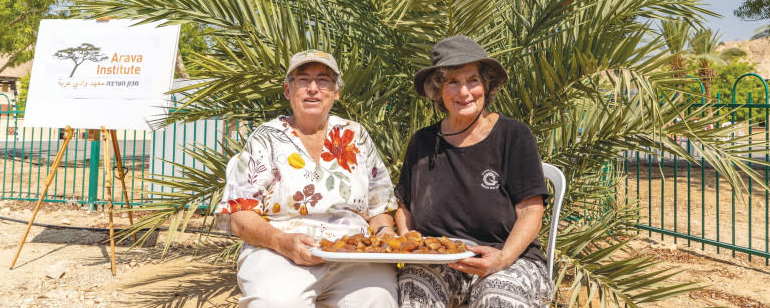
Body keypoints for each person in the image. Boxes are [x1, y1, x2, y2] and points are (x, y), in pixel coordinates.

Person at [216, 49, 398, 308]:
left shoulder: (356, 135)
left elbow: (380, 207)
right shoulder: (265, 137)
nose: (313, 88)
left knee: (378, 300)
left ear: (336, 92)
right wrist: (282, 242)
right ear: (288, 90)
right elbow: (239, 215)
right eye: (303, 80)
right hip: (278, 252)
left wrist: (385, 233)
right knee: (277, 302)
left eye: (323, 80)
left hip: (353, 255)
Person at [395, 36, 554, 308]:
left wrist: (502, 258)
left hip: (511, 260)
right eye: (453, 82)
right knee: (414, 290)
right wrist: (413, 245)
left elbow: (531, 211)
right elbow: (404, 206)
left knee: (498, 297)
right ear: (438, 90)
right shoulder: (422, 141)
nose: (464, 92)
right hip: (440, 261)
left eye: (472, 81)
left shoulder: (513, 135)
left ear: (486, 85)